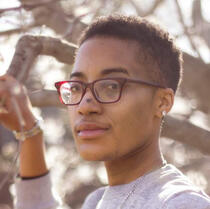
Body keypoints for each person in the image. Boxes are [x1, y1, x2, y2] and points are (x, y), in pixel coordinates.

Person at [0, 15, 209, 209]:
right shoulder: (97, 200)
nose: (85, 106)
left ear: (162, 102)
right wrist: (29, 132)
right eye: (75, 87)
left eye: (111, 86)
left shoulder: (180, 203)